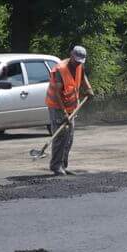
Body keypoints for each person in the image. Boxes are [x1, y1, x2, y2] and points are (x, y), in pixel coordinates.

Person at [45, 44, 94, 175]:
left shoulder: (79, 66)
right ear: (71, 55)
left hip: (72, 106)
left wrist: (88, 89)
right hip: (57, 106)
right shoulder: (60, 69)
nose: (78, 64)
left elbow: (83, 76)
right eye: (76, 61)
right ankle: (56, 166)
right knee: (60, 136)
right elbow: (57, 93)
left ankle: (63, 165)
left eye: (80, 62)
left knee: (69, 137)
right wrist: (64, 112)